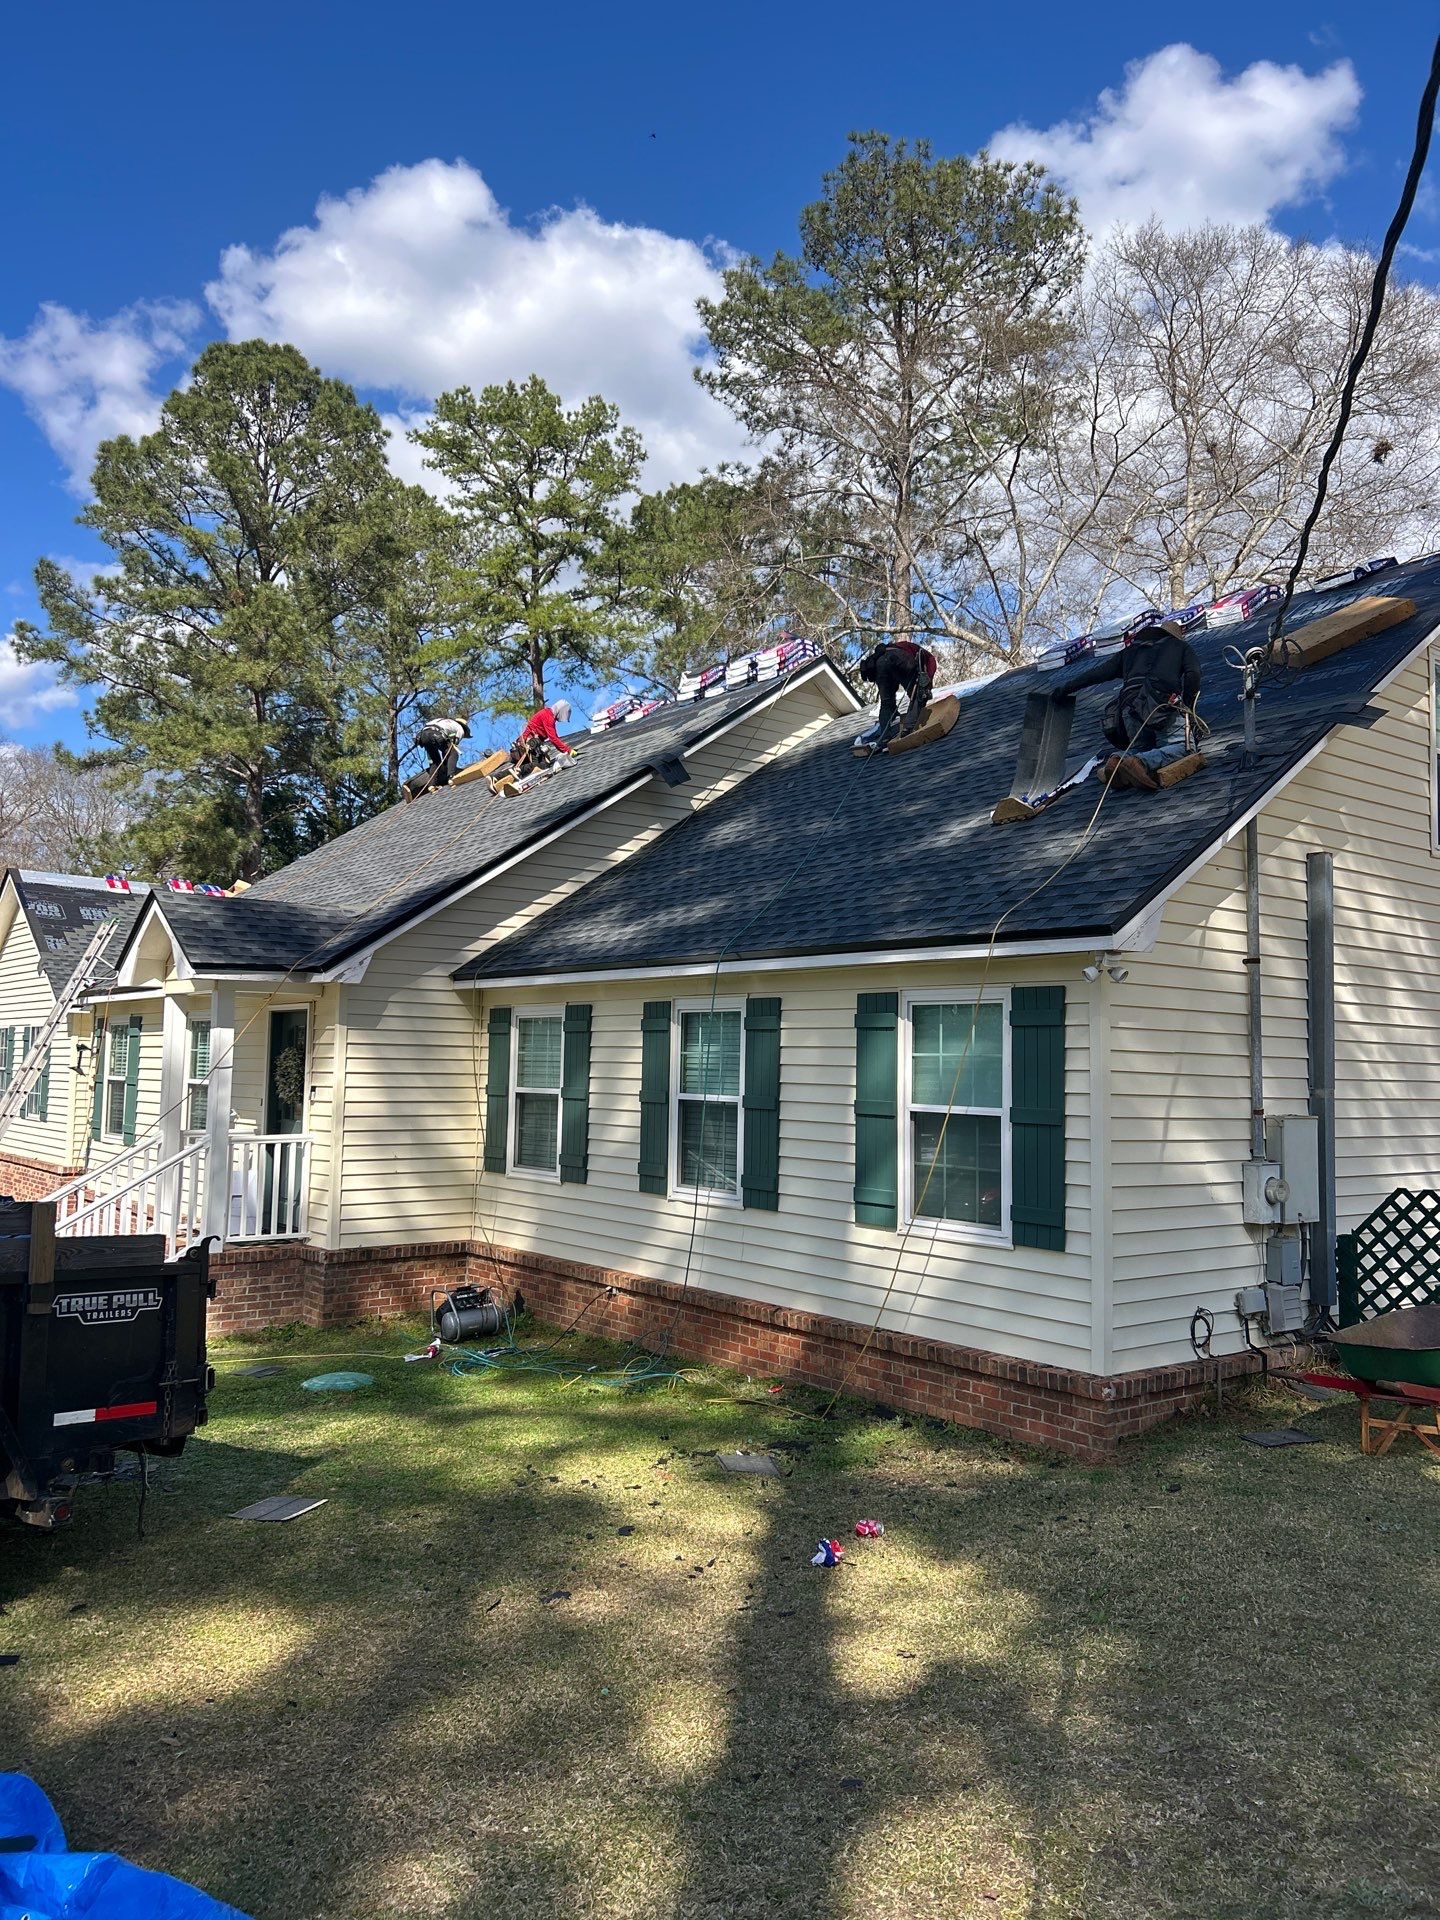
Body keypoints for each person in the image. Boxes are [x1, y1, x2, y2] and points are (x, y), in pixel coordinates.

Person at [1050, 620, 1202, 790]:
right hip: (1161, 704)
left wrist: (1065, 688)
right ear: (1177, 636)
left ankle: (1117, 761)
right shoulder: (1180, 646)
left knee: (1143, 747)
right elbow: (1193, 674)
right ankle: (1139, 763)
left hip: (1129, 707)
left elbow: (1097, 673)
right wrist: (1187, 705)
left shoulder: (1130, 652)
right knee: (1184, 748)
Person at [856, 640, 939, 745]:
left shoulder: (903, 646)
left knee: (886, 703)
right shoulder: (928, 657)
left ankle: (885, 737)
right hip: (897, 657)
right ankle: (908, 729)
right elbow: (928, 670)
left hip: (880, 664)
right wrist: (926, 685)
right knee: (920, 694)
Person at [511, 697, 579, 777]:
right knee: (543, 765)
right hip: (529, 745)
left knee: (541, 765)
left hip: (531, 745)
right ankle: (518, 771)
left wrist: (567, 750)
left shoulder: (547, 714)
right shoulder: (548, 716)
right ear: (561, 711)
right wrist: (568, 750)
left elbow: (554, 737)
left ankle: (515, 773)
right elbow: (553, 738)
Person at [412, 715, 471, 790]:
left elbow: (445, 750)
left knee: (435, 762)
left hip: (422, 736)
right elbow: (453, 745)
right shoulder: (460, 728)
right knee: (453, 753)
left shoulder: (444, 721)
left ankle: (431, 785)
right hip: (435, 734)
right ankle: (451, 777)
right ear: (465, 728)